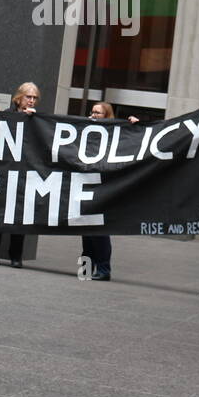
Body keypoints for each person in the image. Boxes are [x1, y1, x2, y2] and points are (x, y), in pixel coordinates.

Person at [0, 82, 39, 268]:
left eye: (34, 98)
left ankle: (16, 256)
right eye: (29, 97)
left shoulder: (37, 120)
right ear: (19, 98)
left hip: (24, 175)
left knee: (18, 215)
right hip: (2, 173)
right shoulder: (6, 115)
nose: (32, 101)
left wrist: (35, 121)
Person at [80, 102, 138, 281]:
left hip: (105, 186)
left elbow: (134, 138)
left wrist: (135, 125)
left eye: (98, 113)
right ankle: (86, 269)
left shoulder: (115, 133)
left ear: (107, 116)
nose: (94, 115)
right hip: (87, 184)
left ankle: (104, 269)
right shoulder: (85, 130)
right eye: (92, 112)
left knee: (99, 230)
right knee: (86, 230)